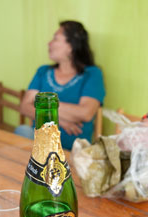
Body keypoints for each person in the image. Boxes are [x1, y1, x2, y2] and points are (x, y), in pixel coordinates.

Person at [15, 20, 105, 150]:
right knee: (22, 130)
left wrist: (42, 105)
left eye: (55, 39)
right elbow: (25, 106)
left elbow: (86, 113)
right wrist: (60, 121)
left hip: (73, 151)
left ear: (71, 46)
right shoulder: (43, 71)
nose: (49, 43)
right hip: (39, 145)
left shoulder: (92, 74)